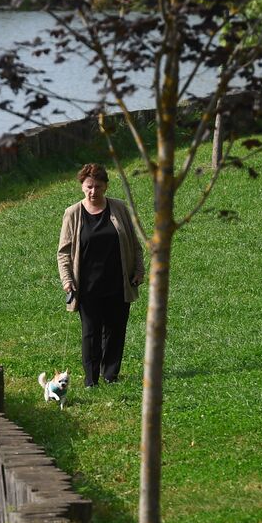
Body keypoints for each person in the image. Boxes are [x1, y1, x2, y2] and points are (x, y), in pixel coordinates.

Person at [57, 163, 145, 387]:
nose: (93, 191)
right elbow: (64, 253)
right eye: (88, 186)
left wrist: (138, 271)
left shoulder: (119, 208)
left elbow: (135, 245)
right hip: (86, 288)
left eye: (97, 186)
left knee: (115, 331)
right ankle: (91, 380)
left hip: (117, 283)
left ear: (106, 186)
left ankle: (110, 375)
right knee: (90, 334)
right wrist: (67, 281)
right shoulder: (72, 213)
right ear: (82, 187)